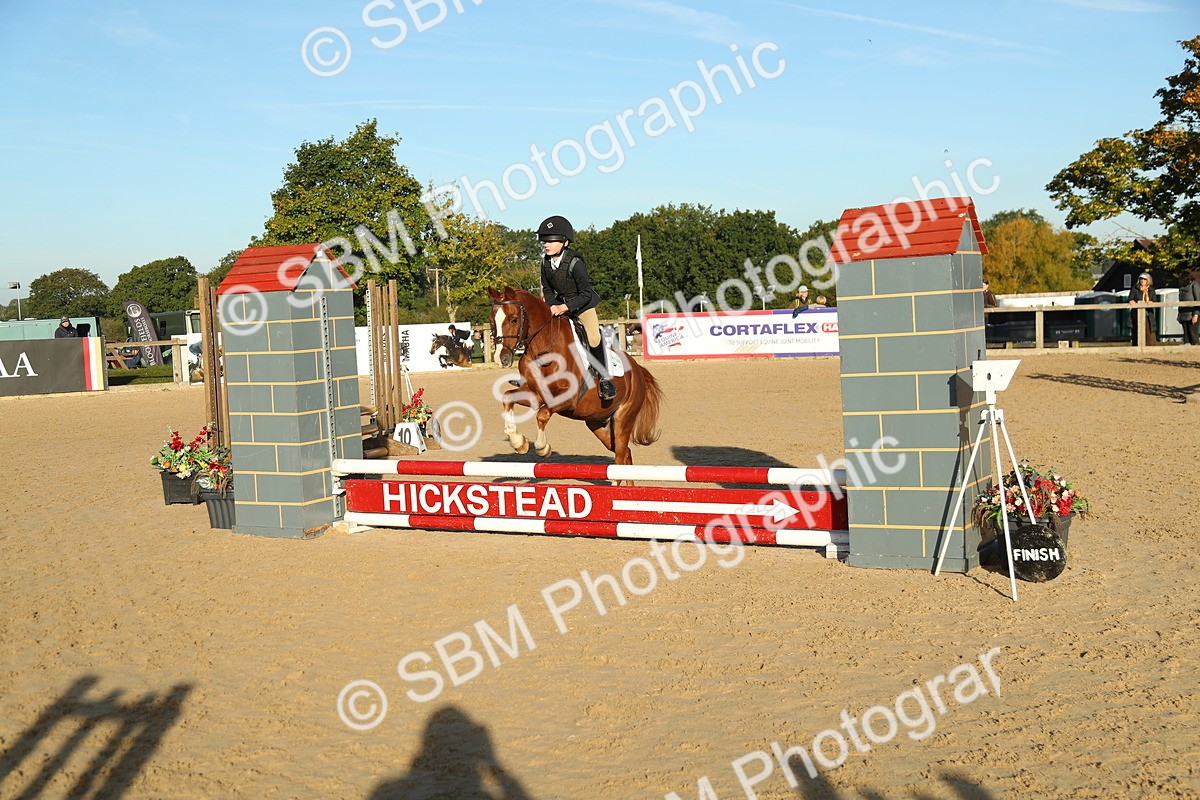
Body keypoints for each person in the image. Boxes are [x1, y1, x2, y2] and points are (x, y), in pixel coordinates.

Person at [537, 215, 616, 401]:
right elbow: (547, 290)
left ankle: (605, 378)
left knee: (594, 337)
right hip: (559, 304)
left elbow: (586, 294)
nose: (546, 245)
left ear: (564, 242)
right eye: (544, 241)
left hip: (582, 305)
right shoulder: (545, 263)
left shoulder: (575, 263)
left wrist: (564, 307)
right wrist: (552, 305)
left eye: (551, 241)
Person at [1128, 272, 1158, 346]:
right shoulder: (1134, 289)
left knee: (1149, 332)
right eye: (1141, 279)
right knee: (1136, 332)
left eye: (1144, 279)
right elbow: (1130, 298)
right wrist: (1131, 301)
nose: (1142, 281)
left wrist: (1151, 301)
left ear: (1148, 280)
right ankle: (1136, 347)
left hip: (1148, 314)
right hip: (1136, 315)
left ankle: (1150, 347)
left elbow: (1155, 300)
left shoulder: (1151, 290)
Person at [1177, 270, 1199, 346]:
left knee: (1193, 334)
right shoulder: (1182, 287)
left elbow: (1198, 300)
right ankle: (1187, 346)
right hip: (1183, 314)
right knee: (1186, 334)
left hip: (1192, 314)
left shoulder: (1194, 285)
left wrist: (1195, 314)